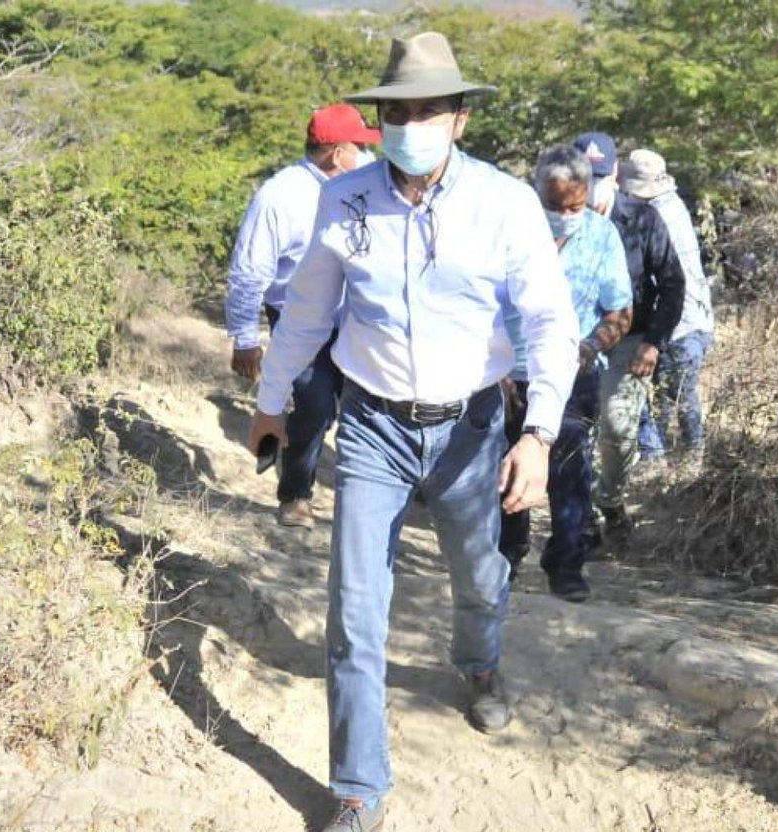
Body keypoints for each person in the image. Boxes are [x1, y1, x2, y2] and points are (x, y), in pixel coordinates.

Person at [245, 33, 578, 832]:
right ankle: (358, 789)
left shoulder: (504, 204)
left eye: (428, 109)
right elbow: (306, 314)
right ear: (378, 118)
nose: (410, 124)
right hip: (370, 428)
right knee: (355, 608)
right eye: (395, 111)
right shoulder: (346, 198)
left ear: (461, 118)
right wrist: (270, 399)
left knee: (480, 573)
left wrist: (536, 435)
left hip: (470, 429)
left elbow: (549, 321)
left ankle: (479, 663)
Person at [226, 104, 382, 528]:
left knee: (361, 408)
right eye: (357, 147)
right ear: (336, 152)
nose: (366, 156)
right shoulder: (280, 196)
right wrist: (244, 337)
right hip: (297, 318)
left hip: (355, 316)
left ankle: (364, 504)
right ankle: (295, 494)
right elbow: (250, 270)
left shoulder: (365, 184)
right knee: (314, 405)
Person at [499, 144, 632, 602]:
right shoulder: (511, 232)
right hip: (509, 374)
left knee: (571, 473)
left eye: (574, 205)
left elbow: (620, 310)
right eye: (555, 206)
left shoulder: (602, 236)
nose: (565, 215)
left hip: (574, 376)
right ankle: (506, 558)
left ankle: (566, 564)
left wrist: (589, 347)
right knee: (506, 470)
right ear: (538, 196)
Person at [573, 131, 685, 547]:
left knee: (618, 428)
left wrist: (653, 342)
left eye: (600, 174)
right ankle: (580, 515)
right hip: (575, 339)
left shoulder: (641, 218)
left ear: (614, 173)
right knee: (573, 431)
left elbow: (672, 282)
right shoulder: (551, 218)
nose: (592, 183)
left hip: (630, 338)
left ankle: (610, 499)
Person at [626, 149, 715, 462]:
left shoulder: (655, 215)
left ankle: (690, 460)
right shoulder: (672, 204)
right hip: (694, 319)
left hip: (683, 322)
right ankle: (668, 463)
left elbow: (667, 279)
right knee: (670, 395)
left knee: (679, 396)